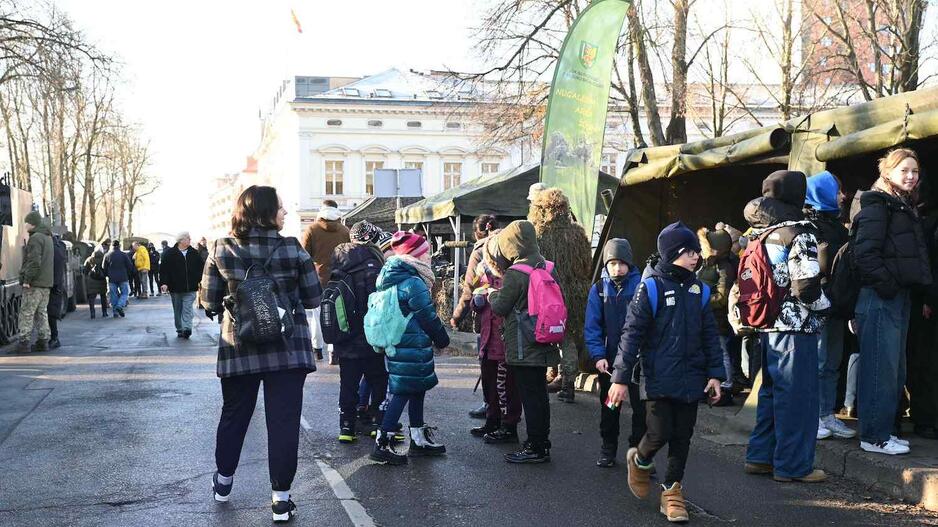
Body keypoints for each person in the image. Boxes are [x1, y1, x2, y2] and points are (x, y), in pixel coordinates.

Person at [201, 185, 322, 523]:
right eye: (280, 207)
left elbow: (208, 302)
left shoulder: (221, 248)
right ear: (267, 213)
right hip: (288, 349)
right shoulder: (292, 248)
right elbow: (313, 298)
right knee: (283, 422)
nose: (285, 212)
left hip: (239, 349)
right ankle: (281, 501)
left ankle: (224, 483)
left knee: (234, 415)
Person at [607, 221, 724, 523]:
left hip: (692, 377)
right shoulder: (650, 287)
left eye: (696, 251)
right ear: (672, 254)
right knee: (659, 433)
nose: (696, 257)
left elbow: (710, 336)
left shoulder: (700, 290)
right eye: (689, 252)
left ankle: (672, 492)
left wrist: (715, 374)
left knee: (682, 436)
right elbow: (631, 335)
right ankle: (640, 459)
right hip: (657, 376)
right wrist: (620, 378)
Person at [743, 170, 829, 482]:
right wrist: (827, 306)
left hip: (766, 325)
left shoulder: (760, 233)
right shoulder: (799, 233)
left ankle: (760, 457)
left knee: (770, 393)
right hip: (795, 329)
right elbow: (805, 288)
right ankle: (793, 466)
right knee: (797, 399)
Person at [851, 148, 931, 454]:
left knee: (893, 370)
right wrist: (888, 286)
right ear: (887, 173)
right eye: (904, 171)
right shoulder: (878, 206)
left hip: (897, 297)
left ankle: (883, 430)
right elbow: (865, 255)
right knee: (878, 369)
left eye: (915, 171)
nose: (911, 176)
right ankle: (874, 436)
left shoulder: (900, 205)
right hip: (880, 297)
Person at [368, 232, 450, 465]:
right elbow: (427, 315)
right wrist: (442, 339)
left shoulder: (391, 275)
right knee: (403, 391)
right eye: (426, 252)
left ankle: (418, 437)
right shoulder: (413, 281)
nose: (429, 256)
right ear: (415, 255)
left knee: (416, 388)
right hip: (411, 344)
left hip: (400, 342)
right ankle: (382, 443)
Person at [489, 220, 561, 464]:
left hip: (523, 344)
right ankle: (542, 442)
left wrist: (491, 295)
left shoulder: (516, 273)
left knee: (530, 397)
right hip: (544, 338)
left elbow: (501, 306)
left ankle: (534, 446)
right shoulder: (548, 266)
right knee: (540, 396)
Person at [528, 187, 591, 402]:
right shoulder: (578, 233)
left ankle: (553, 378)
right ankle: (567, 383)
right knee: (569, 337)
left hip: (549, 292)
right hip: (577, 292)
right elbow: (587, 264)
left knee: (547, 333)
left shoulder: (538, 234)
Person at [804, 171, 854, 441]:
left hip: (836, 305)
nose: (842, 196)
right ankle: (812, 415)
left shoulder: (837, 226)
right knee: (818, 362)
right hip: (818, 305)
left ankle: (826, 414)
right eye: (837, 191)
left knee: (832, 362)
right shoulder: (808, 226)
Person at [584, 238, 642, 467]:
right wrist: (598, 356)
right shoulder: (599, 289)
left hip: (637, 361)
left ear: (629, 263)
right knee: (610, 406)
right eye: (612, 263)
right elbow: (592, 326)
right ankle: (608, 448)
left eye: (622, 263)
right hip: (610, 362)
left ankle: (638, 454)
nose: (617, 268)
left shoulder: (642, 286)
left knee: (642, 410)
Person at [333, 221, 388, 444]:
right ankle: (376, 422)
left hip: (344, 332)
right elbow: (379, 300)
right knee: (378, 379)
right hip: (370, 333)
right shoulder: (374, 262)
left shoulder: (339, 260)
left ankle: (346, 427)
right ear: (372, 239)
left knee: (348, 383)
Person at [467, 230, 523, 444]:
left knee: (506, 386)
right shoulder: (483, 274)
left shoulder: (513, 276)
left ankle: (508, 426)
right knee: (490, 385)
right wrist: (476, 302)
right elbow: (475, 298)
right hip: (487, 339)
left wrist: (492, 296)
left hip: (505, 341)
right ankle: (492, 421)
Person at [451, 214, 499, 421]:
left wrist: (457, 316)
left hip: (487, 312)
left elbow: (470, 288)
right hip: (508, 314)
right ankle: (506, 407)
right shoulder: (510, 245)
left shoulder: (480, 251)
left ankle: (490, 406)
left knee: (488, 363)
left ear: (477, 232)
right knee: (505, 365)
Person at [301, 199, 350, 362]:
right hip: (340, 278)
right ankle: (333, 351)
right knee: (337, 314)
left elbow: (303, 256)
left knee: (317, 315)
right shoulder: (344, 230)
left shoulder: (311, 229)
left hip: (318, 278)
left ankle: (317, 349)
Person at [697, 225, 739, 405]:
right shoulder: (709, 263)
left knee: (721, 353)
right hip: (707, 317)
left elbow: (722, 298)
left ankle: (726, 387)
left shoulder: (724, 268)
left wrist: (698, 299)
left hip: (718, 319)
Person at [14, 211, 53, 353]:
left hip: (34, 283)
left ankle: (24, 342)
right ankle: (43, 341)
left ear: (32, 224)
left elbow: (34, 261)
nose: (25, 225)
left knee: (27, 312)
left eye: (27, 222)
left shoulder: (35, 238)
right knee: (41, 313)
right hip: (46, 283)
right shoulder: (47, 237)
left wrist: (27, 280)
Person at [159, 232, 204, 339]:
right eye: (188, 238)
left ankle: (187, 328)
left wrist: (200, 279)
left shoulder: (194, 253)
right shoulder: (170, 254)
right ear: (181, 240)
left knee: (187, 309)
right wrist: (164, 283)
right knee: (177, 309)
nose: (190, 240)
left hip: (191, 287)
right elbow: (164, 270)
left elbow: (201, 268)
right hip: (175, 288)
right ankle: (180, 328)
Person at [45, 234, 68, 350]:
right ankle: (53, 337)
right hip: (57, 284)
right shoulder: (59, 248)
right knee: (52, 313)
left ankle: (54, 338)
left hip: (53, 285)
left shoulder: (53, 250)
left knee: (50, 313)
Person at [104, 240, 135, 318]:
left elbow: (104, 267)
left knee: (113, 295)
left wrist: (108, 274)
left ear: (112, 246)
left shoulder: (107, 255)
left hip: (112, 278)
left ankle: (115, 312)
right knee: (124, 293)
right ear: (119, 246)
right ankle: (119, 305)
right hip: (123, 277)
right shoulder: (124, 255)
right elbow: (130, 266)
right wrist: (127, 273)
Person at [83, 241, 110, 319]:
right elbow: (107, 269)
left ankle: (92, 313)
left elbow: (85, 270)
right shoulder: (104, 258)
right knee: (103, 297)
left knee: (91, 298)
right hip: (101, 280)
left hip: (91, 281)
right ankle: (104, 313)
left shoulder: (89, 259)